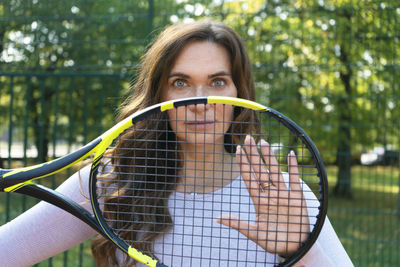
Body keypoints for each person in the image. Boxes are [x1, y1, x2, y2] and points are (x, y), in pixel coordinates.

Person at [0, 20, 353, 267]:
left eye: (217, 82)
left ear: (238, 93)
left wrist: (302, 252)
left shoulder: (285, 196)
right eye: (181, 83)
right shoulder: (109, 182)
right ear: (159, 94)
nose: (199, 101)